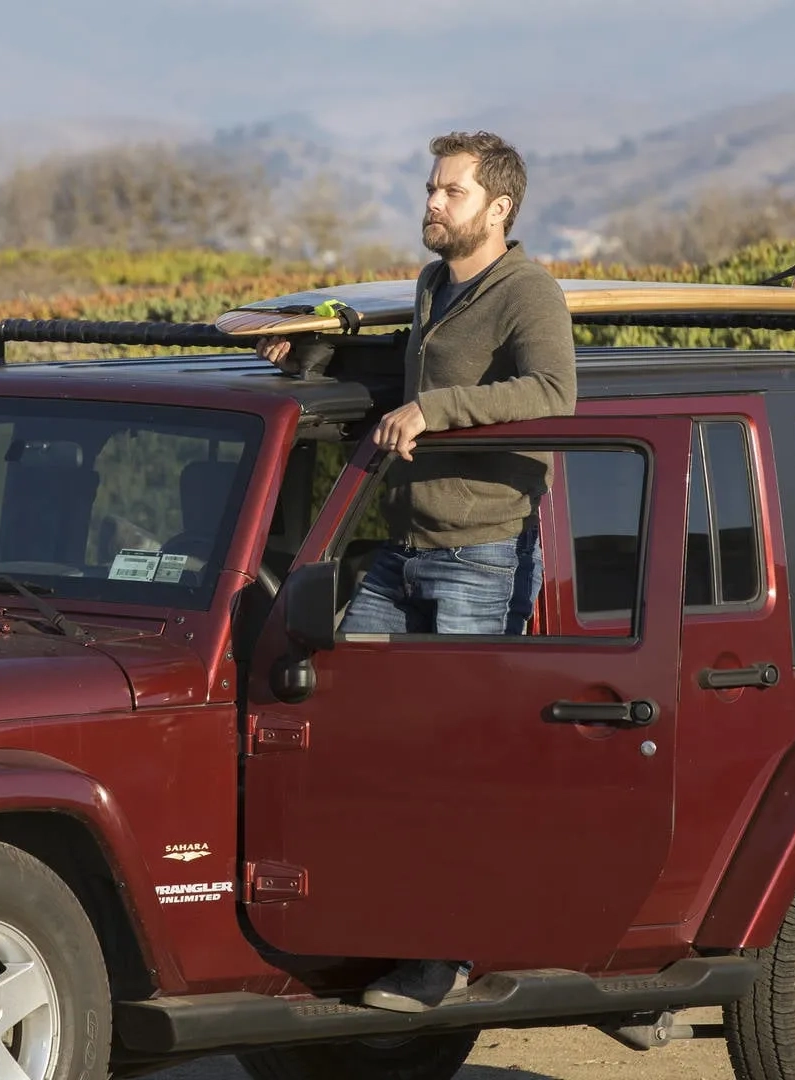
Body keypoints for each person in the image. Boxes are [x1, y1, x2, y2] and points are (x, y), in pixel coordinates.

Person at [259, 131, 577, 1011]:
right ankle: (378, 926)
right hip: (400, 550)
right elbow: (409, 368)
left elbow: (553, 394)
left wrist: (437, 412)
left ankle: (444, 954)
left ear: (498, 208)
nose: (431, 203)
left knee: (453, 762)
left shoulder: (529, 293)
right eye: (432, 189)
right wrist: (309, 358)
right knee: (359, 731)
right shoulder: (436, 284)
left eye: (449, 192)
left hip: (480, 554)